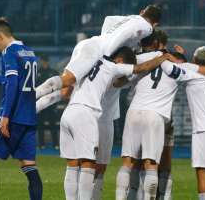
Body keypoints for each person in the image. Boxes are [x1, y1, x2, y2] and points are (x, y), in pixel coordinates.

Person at [115, 30, 205, 200]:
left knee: (128, 162)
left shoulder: (140, 59)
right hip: (156, 116)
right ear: (161, 43)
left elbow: (118, 82)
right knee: (151, 165)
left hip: (133, 113)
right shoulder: (177, 64)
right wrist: (185, 61)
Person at [60, 46, 170, 200]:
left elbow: (64, 92)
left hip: (69, 112)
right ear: (119, 60)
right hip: (89, 114)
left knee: (72, 165)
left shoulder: (89, 61)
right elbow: (140, 68)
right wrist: (161, 57)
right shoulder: (112, 67)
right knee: (90, 165)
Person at [35, 5, 161, 100]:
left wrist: (106, 37)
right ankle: (33, 94)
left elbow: (108, 19)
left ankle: (35, 105)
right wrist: (108, 52)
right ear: (155, 24)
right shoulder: (148, 28)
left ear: (141, 12)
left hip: (91, 43)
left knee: (67, 91)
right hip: (96, 51)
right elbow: (128, 33)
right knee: (68, 80)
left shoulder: (130, 18)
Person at [0, 17, 42, 200]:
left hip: (11, 117)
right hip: (28, 118)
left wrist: (5, 116)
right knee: (29, 166)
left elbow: (13, 84)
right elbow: (13, 81)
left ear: (0, 36)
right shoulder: (29, 52)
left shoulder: (9, 53)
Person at [161, 46, 205, 200]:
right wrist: (182, 58)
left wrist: (164, 57)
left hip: (204, 131)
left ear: (195, 60)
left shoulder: (192, 75)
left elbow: (174, 70)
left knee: (202, 172)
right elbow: (191, 67)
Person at [36, 54, 59, 149]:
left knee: (53, 124)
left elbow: (58, 87)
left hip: (51, 102)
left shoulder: (53, 72)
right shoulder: (37, 73)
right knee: (40, 124)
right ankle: (41, 144)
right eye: (43, 61)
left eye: (46, 61)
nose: (44, 63)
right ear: (41, 61)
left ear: (48, 62)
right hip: (41, 102)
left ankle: (55, 144)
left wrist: (56, 101)